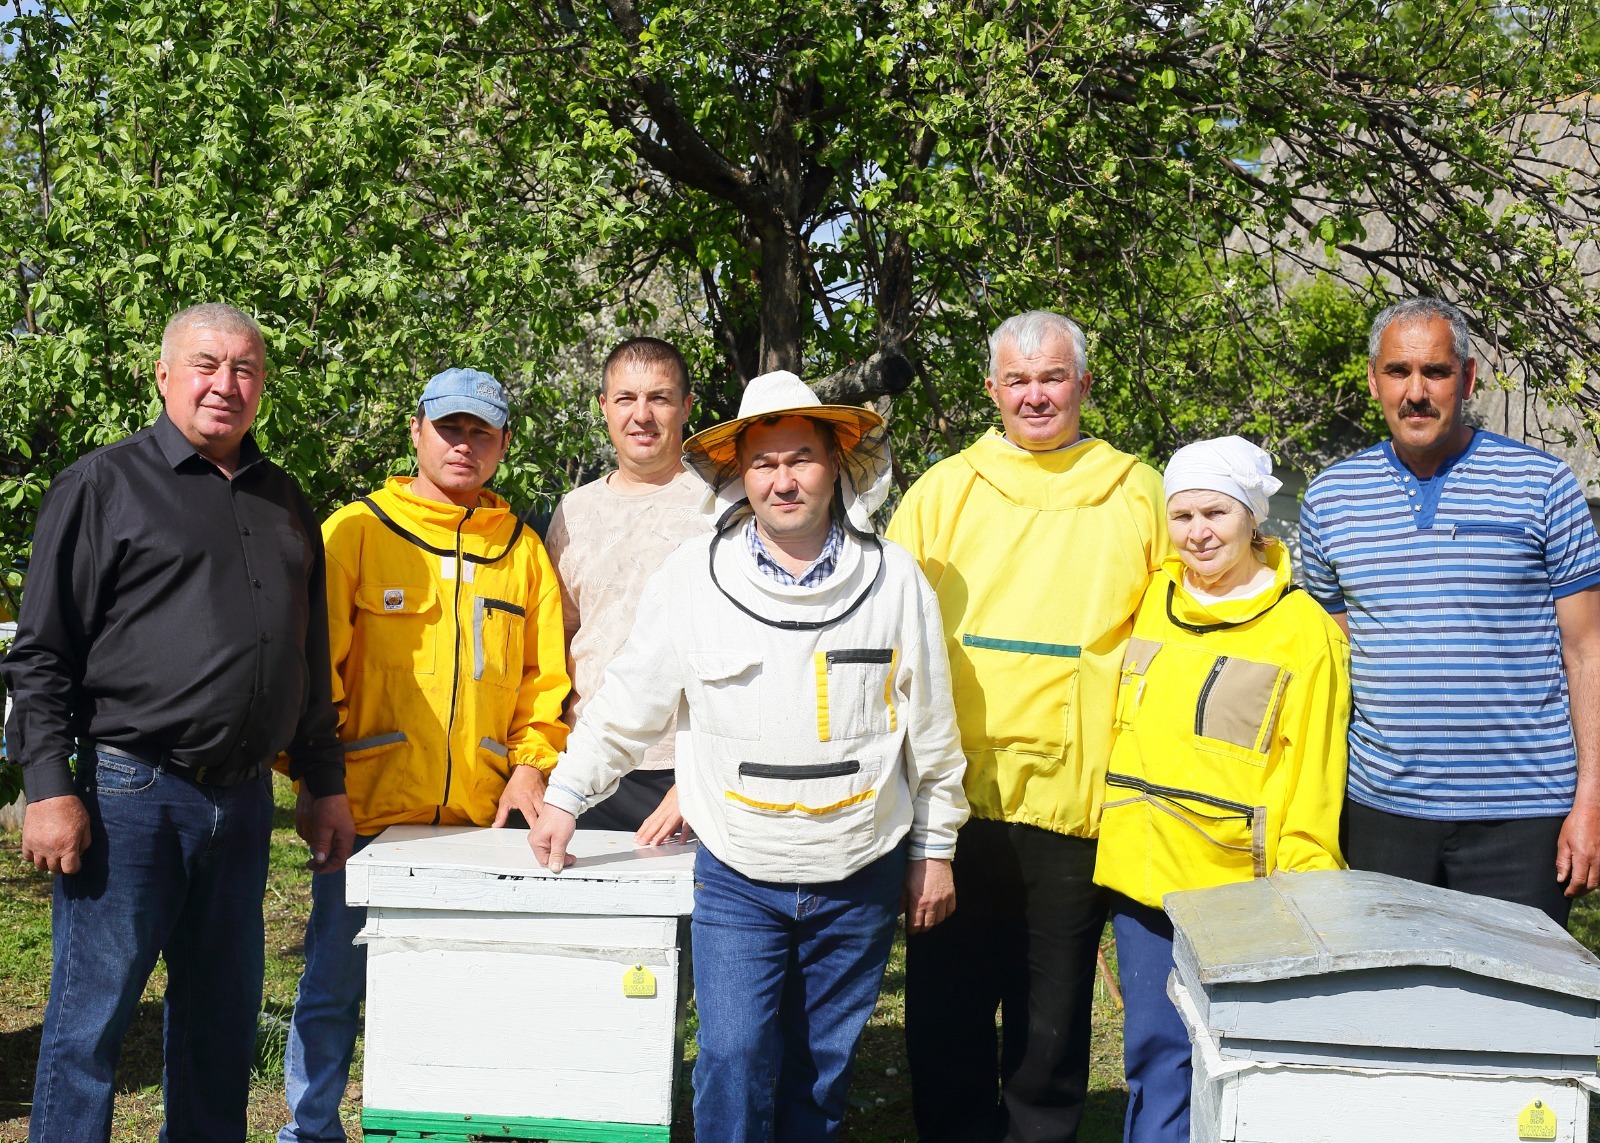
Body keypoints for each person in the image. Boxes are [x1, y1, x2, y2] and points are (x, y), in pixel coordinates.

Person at [529, 370, 969, 1141]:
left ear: (837, 464)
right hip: (737, 869)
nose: (783, 478)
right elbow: (630, 700)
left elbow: (930, 727)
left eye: (800, 457)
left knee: (820, 1069)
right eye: (764, 463)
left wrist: (935, 849)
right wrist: (566, 796)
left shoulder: (895, 578)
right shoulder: (694, 577)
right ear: (739, 475)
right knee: (732, 1058)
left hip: (858, 867)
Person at [1, 303, 354, 1143]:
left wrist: (322, 780)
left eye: (244, 369)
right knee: (92, 1022)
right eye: (205, 364)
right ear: (163, 375)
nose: (224, 384)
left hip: (239, 806)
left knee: (220, 1026)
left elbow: (307, 655)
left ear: (262, 385)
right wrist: (49, 788)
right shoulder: (102, 485)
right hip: (131, 790)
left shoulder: (283, 498)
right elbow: (40, 654)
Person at [887, 309, 1168, 1143]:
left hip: (1077, 797)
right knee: (947, 1008)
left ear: (1083, 383)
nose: (1035, 395)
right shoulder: (944, 489)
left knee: (1052, 1015)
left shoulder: (1137, 490)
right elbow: (892, 630)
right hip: (958, 799)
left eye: (1052, 378)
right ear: (992, 390)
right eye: (1018, 379)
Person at [278, 367, 570, 1143]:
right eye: (450, 427)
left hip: (481, 822)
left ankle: (451, 1125)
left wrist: (533, 764)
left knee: (464, 986)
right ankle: (310, 1129)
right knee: (335, 982)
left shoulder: (523, 551)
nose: (463, 444)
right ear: (416, 431)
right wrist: (316, 782)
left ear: (504, 443)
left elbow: (546, 683)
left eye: (481, 431)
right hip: (363, 812)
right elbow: (308, 677)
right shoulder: (356, 531)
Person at [1300, 296, 1600, 927]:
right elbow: (1334, 660)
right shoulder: (1329, 499)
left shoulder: (1543, 486)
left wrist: (1591, 801)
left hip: (1523, 817)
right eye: (1398, 372)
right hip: (1381, 812)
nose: (1415, 392)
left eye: (1435, 372)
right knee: (1388, 1008)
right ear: (1373, 379)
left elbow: (1588, 650)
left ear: (1465, 379)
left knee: (1516, 1014)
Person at [1093, 435, 1351, 1143]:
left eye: (1216, 513)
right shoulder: (1147, 599)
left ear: (1251, 519)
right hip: (1143, 891)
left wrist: (1306, 897)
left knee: (1238, 1067)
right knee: (1154, 1058)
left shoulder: (1302, 631)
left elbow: (1314, 775)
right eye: (1183, 516)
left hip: (1241, 895)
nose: (1199, 532)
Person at [545, 337, 711, 841]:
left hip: (685, 770)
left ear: (685, 407)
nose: (642, 415)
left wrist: (696, 781)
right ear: (603, 407)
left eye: (659, 398)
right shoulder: (572, 513)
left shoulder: (723, 509)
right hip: (587, 765)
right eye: (626, 399)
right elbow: (560, 642)